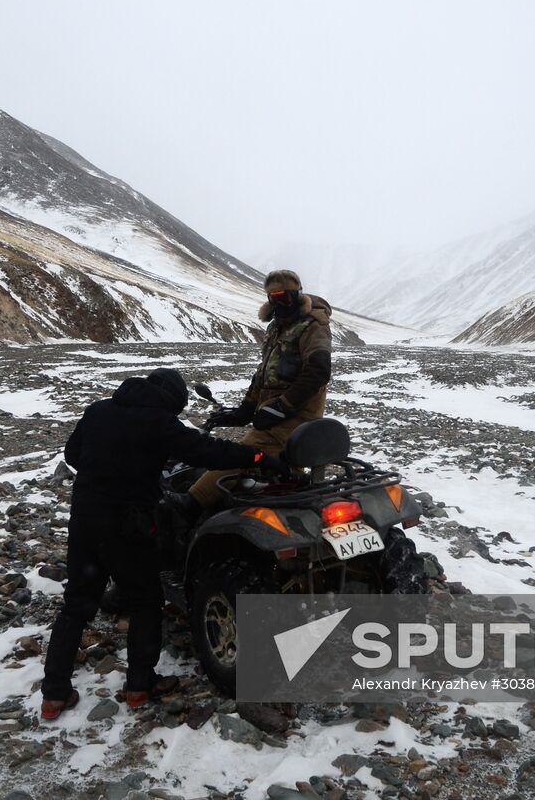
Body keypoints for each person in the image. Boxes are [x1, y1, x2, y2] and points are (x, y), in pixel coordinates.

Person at [40, 367, 287, 720]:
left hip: (85, 520)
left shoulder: (98, 411)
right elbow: (208, 452)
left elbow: (73, 454)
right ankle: (140, 686)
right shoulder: (160, 423)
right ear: (172, 401)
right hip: (129, 527)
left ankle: (53, 696)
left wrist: (110, 468)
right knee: (145, 601)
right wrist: (259, 457)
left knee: (76, 605)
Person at [178, 269, 333, 513]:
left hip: (294, 421)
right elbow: (264, 375)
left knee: (239, 455)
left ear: (298, 295)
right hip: (273, 418)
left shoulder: (313, 326)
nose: (281, 303)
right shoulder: (277, 327)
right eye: (275, 298)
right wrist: (245, 410)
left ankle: (187, 505)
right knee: (279, 475)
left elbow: (319, 370)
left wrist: (282, 406)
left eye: (286, 297)